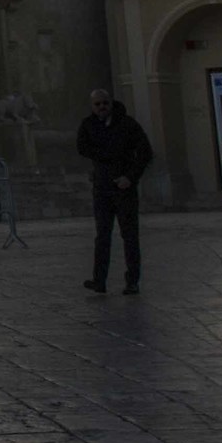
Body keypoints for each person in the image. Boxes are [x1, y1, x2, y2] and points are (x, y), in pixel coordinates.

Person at [76, 89, 154, 295]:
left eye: (105, 103)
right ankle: (99, 280)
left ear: (111, 103)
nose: (102, 107)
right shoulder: (89, 125)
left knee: (129, 235)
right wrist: (102, 159)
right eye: (97, 104)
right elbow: (82, 147)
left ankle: (132, 281)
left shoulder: (127, 125)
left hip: (123, 188)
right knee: (102, 235)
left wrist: (130, 177)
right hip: (102, 188)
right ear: (92, 106)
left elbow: (145, 152)